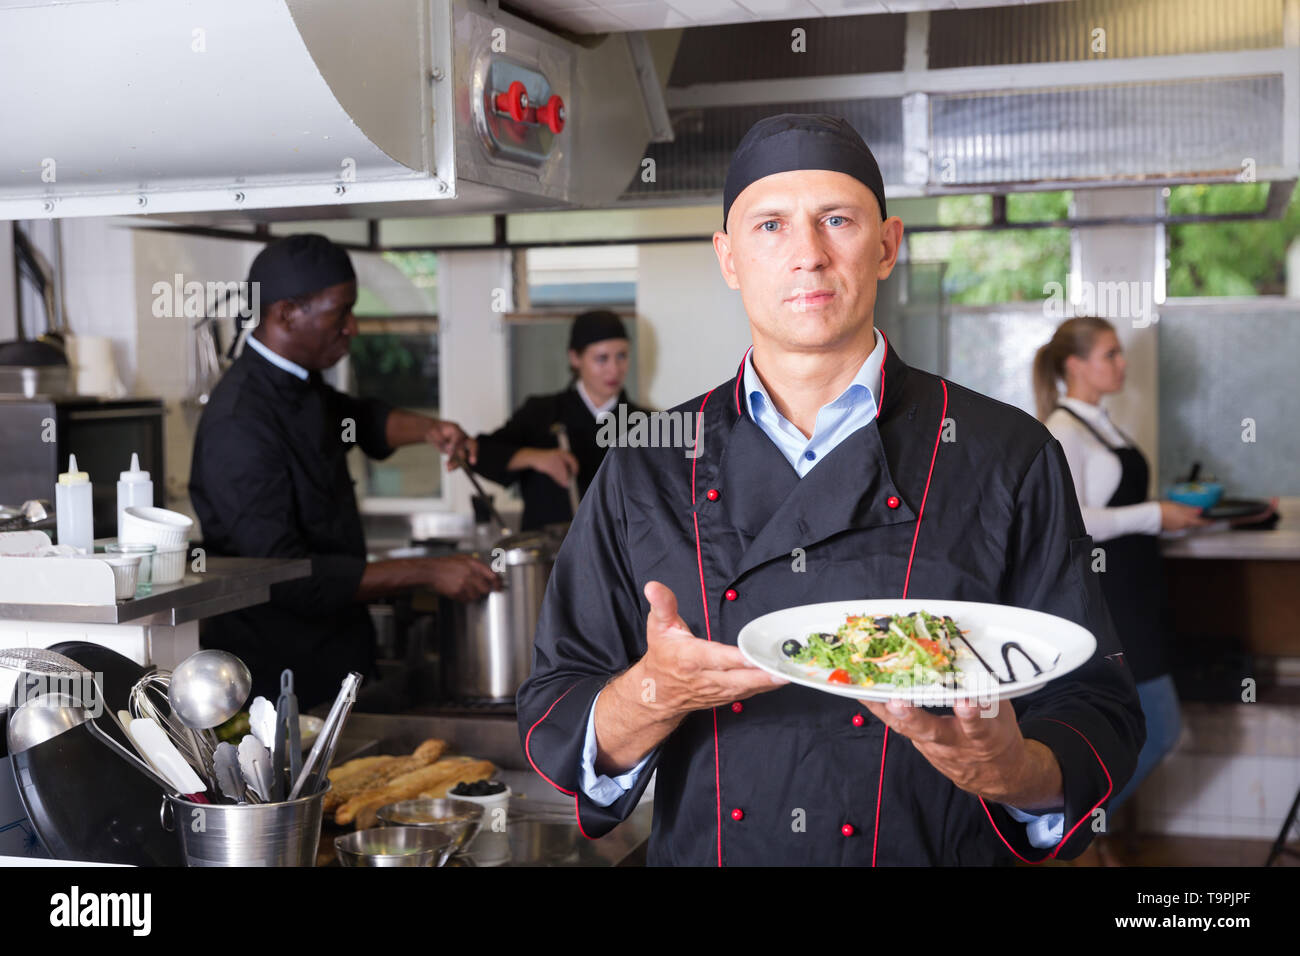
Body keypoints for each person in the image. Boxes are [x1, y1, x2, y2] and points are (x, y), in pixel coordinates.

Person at [516, 114, 1144, 866]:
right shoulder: (645, 464)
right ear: (729, 257)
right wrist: (655, 692)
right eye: (772, 225)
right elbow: (558, 702)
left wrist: (1010, 771)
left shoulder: (1005, 454)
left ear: (886, 246)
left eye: (836, 220)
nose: (807, 256)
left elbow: (1096, 704)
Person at [190, 234, 501, 710]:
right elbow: (282, 575)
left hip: (338, 659)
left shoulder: (301, 385)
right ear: (286, 314)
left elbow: (362, 420)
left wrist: (429, 429)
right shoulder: (240, 423)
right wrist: (427, 570)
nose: (352, 328)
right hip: (280, 687)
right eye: (341, 313)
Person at [1036, 317, 1207, 839]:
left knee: (1146, 723)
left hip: (1138, 589)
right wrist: (1156, 513)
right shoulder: (1064, 430)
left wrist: (1170, 519)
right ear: (1075, 365)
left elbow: (1123, 512)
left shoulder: (1101, 424)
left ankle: (1083, 837)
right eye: (1110, 354)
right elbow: (1077, 519)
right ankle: (1066, 833)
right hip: (1111, 601)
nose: (1121, 363)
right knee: (1160, 726)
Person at [471, 310, 647, 531]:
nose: (614, 369)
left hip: (621, 559)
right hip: (551, 558)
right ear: (575, 358)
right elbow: (482, 453)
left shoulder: (647, 424)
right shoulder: (540, 413)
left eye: (621, 356)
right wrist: (535, 457)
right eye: (602, 358)